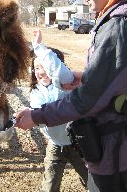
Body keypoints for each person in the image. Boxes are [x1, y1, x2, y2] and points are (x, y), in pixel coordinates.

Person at [15, 0, 127, 191]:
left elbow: (85, 102)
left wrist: (36, 116)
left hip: (115, 150)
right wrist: (86, 77)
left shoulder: (120, 27)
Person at [30, 30, 88, 192]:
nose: (40, 72)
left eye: (43, 67)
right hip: (55, 145)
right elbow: (39, 111)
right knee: (49, 184)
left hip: (77, 145)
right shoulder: (36, 91)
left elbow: (58, 72)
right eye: (36, 68)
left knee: (91, 179)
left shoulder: (65, 86)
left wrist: (39, 47)